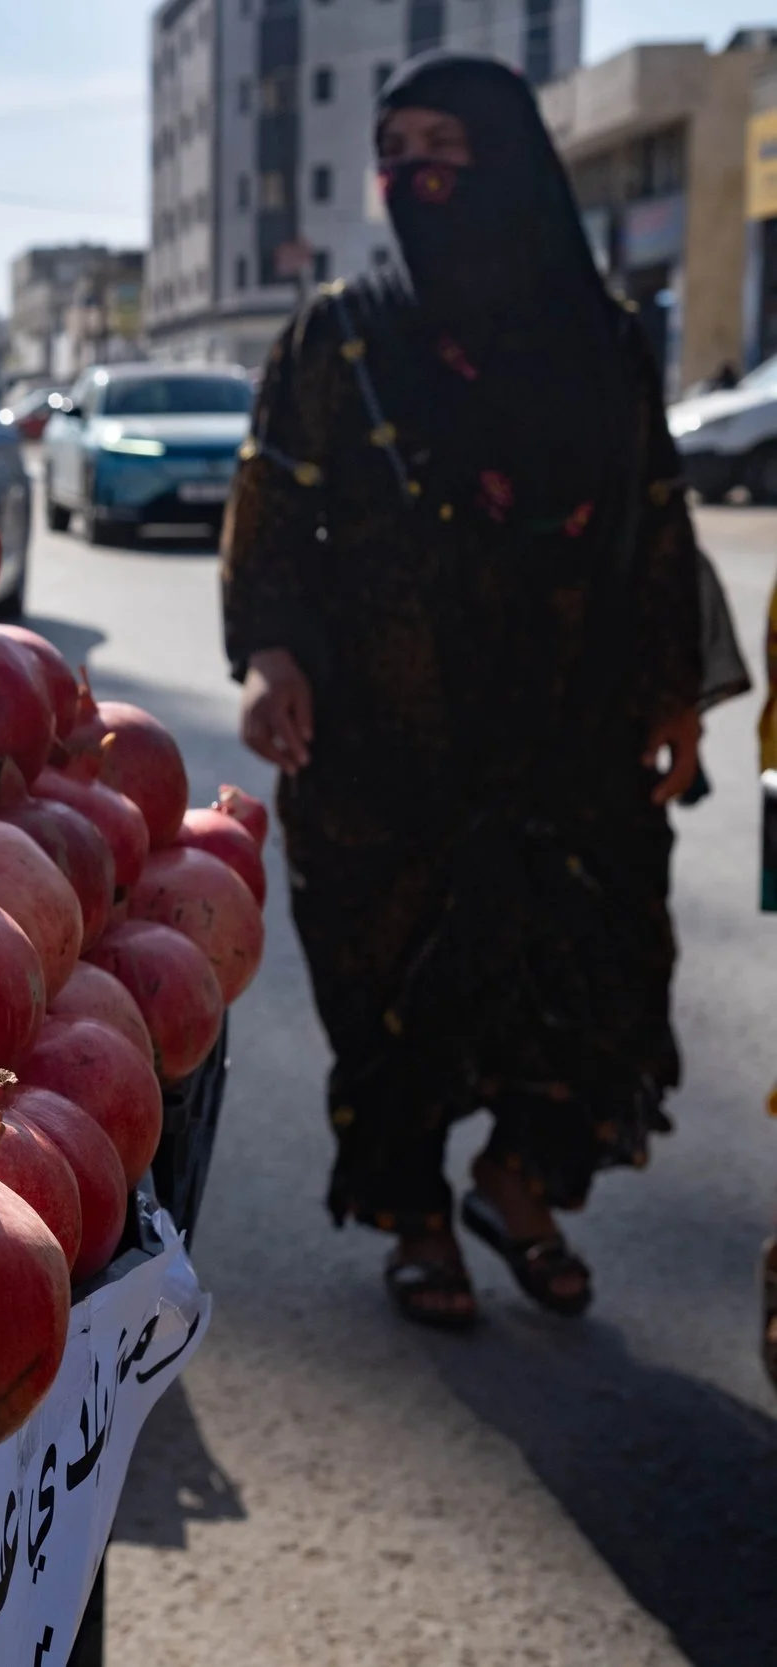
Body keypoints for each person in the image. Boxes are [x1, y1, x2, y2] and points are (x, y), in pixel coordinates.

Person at [221, 53, 703, 1329]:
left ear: (513, 164)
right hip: (382, 738)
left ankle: (515, 1180)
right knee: (390, 985)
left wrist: (675, 689)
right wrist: (272, 655)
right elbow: (272, 504)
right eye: (394, 150)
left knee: (592, 971)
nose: (414, 173)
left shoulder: (602, 341)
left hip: (571, 727)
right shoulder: (341, 334)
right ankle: (415, 1214)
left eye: (445, 145)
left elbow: (656, 515)